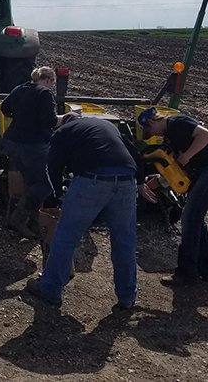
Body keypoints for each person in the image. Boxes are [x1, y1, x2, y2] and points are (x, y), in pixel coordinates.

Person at [25, 116, 158, 311]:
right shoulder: (106, 126)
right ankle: (127, 296)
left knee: (66, 235)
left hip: (93, 180)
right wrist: (139, 182)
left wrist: (56, 195)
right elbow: (134, 153)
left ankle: (50, 288)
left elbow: (52, 167)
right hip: (126, 180)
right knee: (124, 240)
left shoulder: (62, 132)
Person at [138, 108, 208, 287]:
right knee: (195, 220)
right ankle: (206, 271)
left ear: (150, 123)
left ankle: (186, 273)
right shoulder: (170, 136)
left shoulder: (178, 123)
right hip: (206, 172)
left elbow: (204, 135)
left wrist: (188, 156)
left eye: (149, 132)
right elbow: (177, 165)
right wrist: (160, 181)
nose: (153, 136)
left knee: (190, 218)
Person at [0, 67, 66, 239]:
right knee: (45, 185)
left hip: (12, 141)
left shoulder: (20, 88)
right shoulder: (44, 93)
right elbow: (51, 121)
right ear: (50, 80)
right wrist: (69, 117)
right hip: (32, 144)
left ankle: (31, 220)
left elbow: (5, 108)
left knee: (32, 182)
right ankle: (18, 219)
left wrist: (23, 116)